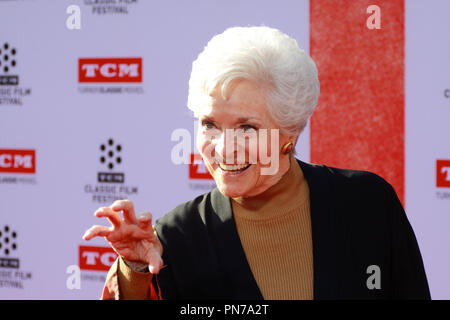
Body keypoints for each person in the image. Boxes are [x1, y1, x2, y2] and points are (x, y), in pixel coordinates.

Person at [83, 26, 430, 300]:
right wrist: (133, 271)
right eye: (209, 124)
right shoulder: (177, 236)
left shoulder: (366, 204)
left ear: (289, 132)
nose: (224, 149)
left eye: (246, 128)